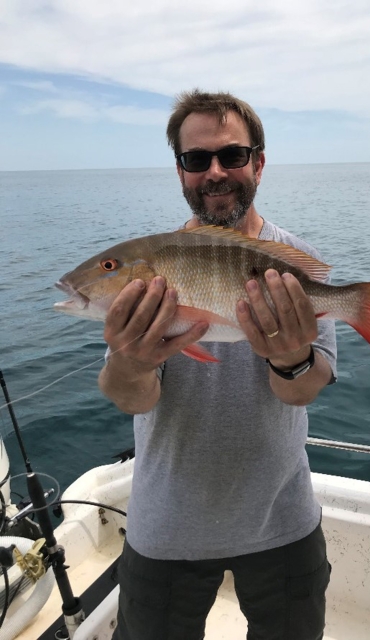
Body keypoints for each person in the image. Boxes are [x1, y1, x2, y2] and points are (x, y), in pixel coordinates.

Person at [100, 90, 337, 640]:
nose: (214, 172)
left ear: (258, 161)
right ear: (179, 170)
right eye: (195, 159)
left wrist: (291, 359)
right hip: (165, 529)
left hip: (282, 521)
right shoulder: (152, 266)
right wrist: (132, 364)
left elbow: (305, 390)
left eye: (231, 156)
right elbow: (130, 396)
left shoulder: (296, 261)